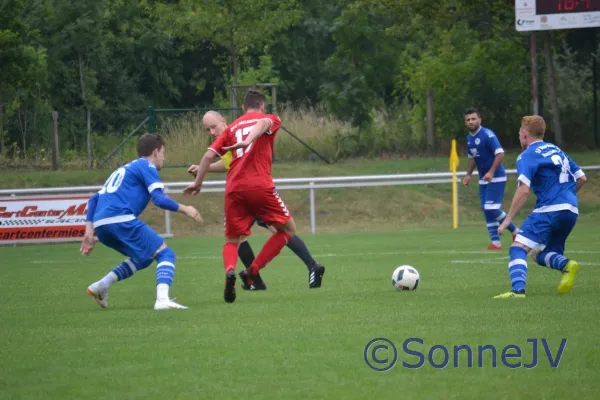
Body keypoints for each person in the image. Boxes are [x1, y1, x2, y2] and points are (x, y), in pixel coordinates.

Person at [183, 89, 324, 303]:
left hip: (235, 191)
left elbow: (209, 156)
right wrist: (247, 141)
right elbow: (262, 125)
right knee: (286, 230)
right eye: (208, 129)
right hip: (258, 188)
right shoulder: (264, 120)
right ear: (263, 107)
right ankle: (254, 274)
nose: (211, 131)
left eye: (213, 127)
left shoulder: (230, 130)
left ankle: (236, 272)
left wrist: (198, 182)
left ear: (234, 113)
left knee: (234, 238)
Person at [82, 133, 203, 310]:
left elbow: (94, 199)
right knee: (166, 254)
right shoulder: (146, 165)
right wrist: (187, 209)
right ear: (155, 151)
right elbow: (159, 199)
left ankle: (102, 285)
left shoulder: (124, 169)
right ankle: (162, 300)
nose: (164, 157)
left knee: (144, 257)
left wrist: (88, 231)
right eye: (163, 152)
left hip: (101, 225)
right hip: (119, 218)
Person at [494, 115, 586, 299]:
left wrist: (507, 221)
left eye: (520, 133)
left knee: (517, 247)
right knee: (539, 254)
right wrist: (566, 198)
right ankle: (567, 265)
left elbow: (523, 190)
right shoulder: (557, 150)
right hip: (571, 210)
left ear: (524, 134)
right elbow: (582, 178)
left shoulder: (527, 155)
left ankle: (517, 291)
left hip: (550, 209)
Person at [462, 108, 518, 250]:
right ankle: (496, 243)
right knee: (486, 209)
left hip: (496, 177)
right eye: (468, 120)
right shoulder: (469, 138)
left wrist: (492, 172)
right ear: (465, 122)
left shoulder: (487, 135)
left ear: (480, 120)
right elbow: (472, 158)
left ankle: (516, 231)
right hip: (483, 178)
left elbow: (500, 154)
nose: (471, 122)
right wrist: (468, 174)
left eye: (474, 119)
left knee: (490, 208)